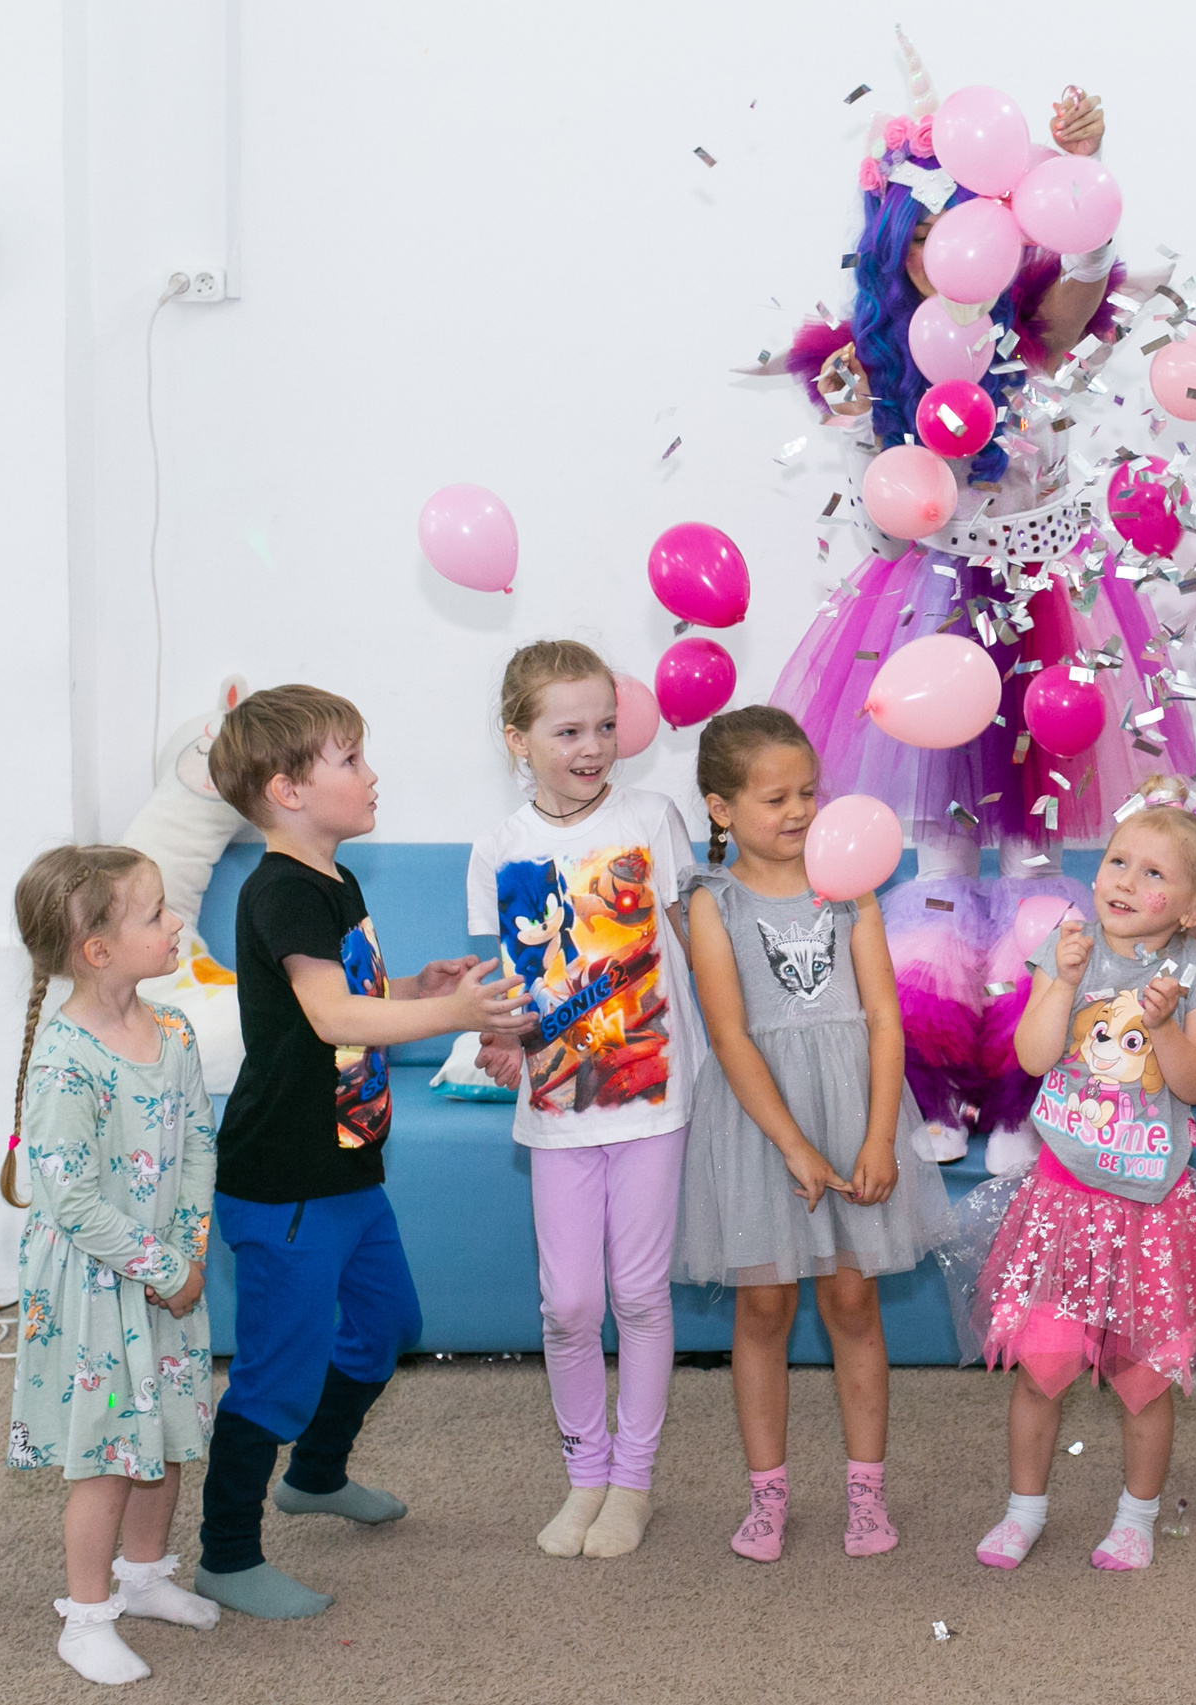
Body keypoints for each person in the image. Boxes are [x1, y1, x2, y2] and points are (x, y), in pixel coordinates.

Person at [769, 35, 1194, 1169]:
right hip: (932, 611)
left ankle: (1025, 1091)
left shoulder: (1025, 335)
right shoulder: (873, 360)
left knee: (1035, 859)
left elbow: (1087, 284)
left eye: (946, 229)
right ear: (885, 247)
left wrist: (1084, 192)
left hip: (1045, 603)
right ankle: (939, 1087)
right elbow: (884, 487)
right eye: (909, 238)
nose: (929, 256)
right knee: (941, 861)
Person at [197, 685, 521, 1618]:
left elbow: (353, 1006)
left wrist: (419, 983)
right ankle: (225, 1552)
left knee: (385, 1327)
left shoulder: (337, 881)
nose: (370, 773)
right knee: (276, 1370)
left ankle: (319, 1474)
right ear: (286, 788)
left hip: (348, 1163)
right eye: (349, 759)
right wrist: (455, 1011)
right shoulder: (282, 889)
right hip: (285, 1176)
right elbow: (332, 1014)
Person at [936, 779, 1196, 1572]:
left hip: (1150, 1211)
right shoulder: (1070, 941)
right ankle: (1025, 1507)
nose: (1125, 880)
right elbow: (1031, 1056)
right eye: (1119, 861)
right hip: (1062, 1201)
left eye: (1153, 873)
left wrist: (1160, 1024)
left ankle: (1136, 1514)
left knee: (1143, 1377)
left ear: (1194, 907)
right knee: (1042, 1369)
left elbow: (1194, 1084)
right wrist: (1058, 980)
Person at [674, 706, 953, 1561]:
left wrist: (878, 1139)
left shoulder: (852, 887)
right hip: (764, 1125)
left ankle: (865, 1493)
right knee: (763, 1305)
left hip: (856, 1109)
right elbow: (729, 1038)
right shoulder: (709, 903)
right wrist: (795, 1145)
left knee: (851, 1297)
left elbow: (882, 1019)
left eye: (808, 792)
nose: (798, 811)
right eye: (774, 797)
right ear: (721, 809)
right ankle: (768, 1496)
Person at [466, 641, 708, 1560]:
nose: (593, 745)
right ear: (517, 739)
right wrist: (497, 1041)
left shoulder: (652, 817)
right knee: (568, 1302)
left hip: (652, 1098)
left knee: (639, 1292)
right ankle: (586, 1475)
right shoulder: (500, 846)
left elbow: (694, 942)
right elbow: (501, 988)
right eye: (568, 729)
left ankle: (633, 1483)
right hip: (559, 1106)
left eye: (605, 725)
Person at [2, 845, 220, 1683]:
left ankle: (145, 1573)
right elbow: (69, 1199)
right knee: (105, 1456)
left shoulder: (174, 1029)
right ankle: (86, 1617)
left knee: (164, 1434)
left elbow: (200, 1142)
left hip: (168, 1275)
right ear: (98, 950)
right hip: (99, 1285)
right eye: (156, 913)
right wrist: (163, 1266)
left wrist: (189, 1253)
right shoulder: (64, 1058)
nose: (176, 923)